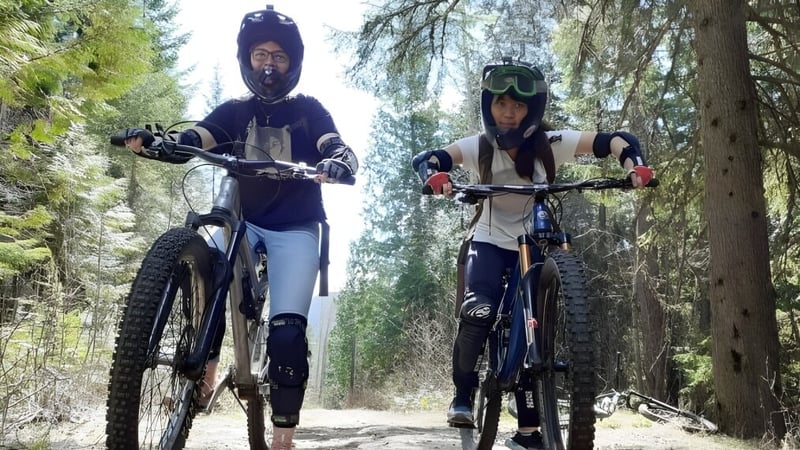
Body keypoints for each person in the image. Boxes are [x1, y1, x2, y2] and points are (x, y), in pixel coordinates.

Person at [119, 5, 358, 449]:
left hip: (295, 226)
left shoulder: (309, 109)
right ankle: (204, 364)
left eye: (279, 56)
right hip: (242, 222)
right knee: (205, 257)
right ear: (247, 60)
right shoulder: (234, 110)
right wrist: (162, 143)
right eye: (260, 54)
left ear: (293, 63)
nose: (269, 64)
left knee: (287, 332)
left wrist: (338, 162)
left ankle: (283, 435)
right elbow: (199, 136)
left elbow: (334, 144)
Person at [411, 58, 651, 450]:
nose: (509, 112)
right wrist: (436, 177)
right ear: (489, 105)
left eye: (519, 106)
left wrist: (635, 166)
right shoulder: (480, 147)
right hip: (488, 240)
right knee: (479, 312)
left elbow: (614, 140)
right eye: (502, 103)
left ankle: (528, 432)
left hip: (533, 242)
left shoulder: (551, 144)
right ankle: (463, 393)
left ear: (532, 110)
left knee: (532, 329)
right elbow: (431, 158)